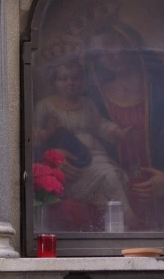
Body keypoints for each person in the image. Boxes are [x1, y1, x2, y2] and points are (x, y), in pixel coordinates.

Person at [86, 22, 164, 230]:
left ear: (130, 42)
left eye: (111, 45)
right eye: (99, 53)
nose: (108, 55)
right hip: (118, 204)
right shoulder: (94, 99)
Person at [34, 59, 133, 224]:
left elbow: (99, 124)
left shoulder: (87, 103)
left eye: (75, 78)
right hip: (67, 161)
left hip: (94, 156)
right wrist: (48, 132)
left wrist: (117, 132)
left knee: (111, 176)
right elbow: (33, 135)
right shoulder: (45, 106)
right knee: (109, 176)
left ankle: (123, 219)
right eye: (63, 79)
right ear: (54, 82)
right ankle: (125, 218)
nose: (70, 83)